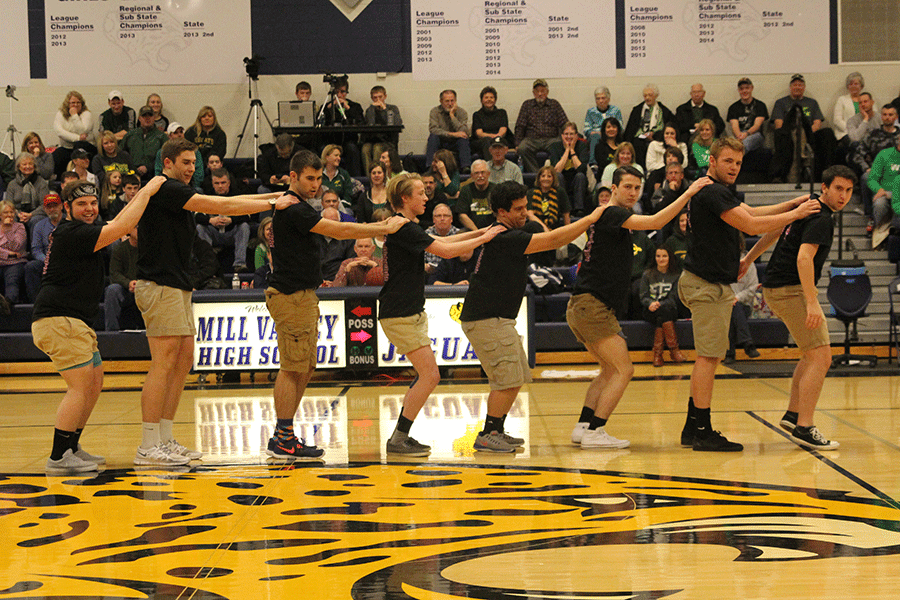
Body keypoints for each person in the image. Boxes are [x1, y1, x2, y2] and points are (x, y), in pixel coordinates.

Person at [134, 138, 295, 466]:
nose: (192, 168)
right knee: (164, 363)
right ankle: (148, 444)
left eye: (194, 163)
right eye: (186, 162)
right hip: (159, 284)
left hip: (177, 285)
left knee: (182, 362)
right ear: (167, 163)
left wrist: (273, 197)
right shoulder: (167, 187)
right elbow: (222, 206)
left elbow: (229, 200)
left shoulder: (175, 191)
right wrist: (272, 200)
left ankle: (165, 438)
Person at [678, 137, 821, 452]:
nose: (734, 168)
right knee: (708, 358)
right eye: (728, 161)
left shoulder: (718, 191)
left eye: (738, 163)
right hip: (706, 284)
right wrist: (796, 215)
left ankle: (692, 428)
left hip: (706, 282)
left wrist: (791, 203)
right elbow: (751, 225)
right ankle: (702, 430)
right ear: (712, 161)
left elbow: (753, 210)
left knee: (709, 357)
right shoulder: (712, 191)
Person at [265, 150, 406, 460]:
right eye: (310, 178)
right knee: (292, 367)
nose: (316, 184)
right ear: (293, 177)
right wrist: (380, 228)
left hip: (300, 294)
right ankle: (284, 436)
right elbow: (339, 230)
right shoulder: (295, 209)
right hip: (291, 295)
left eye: (318, 178)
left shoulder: (294, 205)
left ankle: (282, 435)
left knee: (304, 365)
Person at [459, 181, 607, 452]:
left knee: (515, 377)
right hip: (486, 319)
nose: (524, 213)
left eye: (526, 207)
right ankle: (488, 434)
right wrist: (590, 218)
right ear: (500, 212)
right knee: (506, 381)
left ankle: (497, 429)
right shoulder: (505, 238)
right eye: (518, 209)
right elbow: (553, 239)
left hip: (497, 318)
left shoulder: (502, 231)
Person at [568, 170, 710, 448]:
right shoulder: (612, 213)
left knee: (609, 370)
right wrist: (688, 193)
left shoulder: (608, 217)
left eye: (637, 188)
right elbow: (656, 221)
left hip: (584, 305)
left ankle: (583, 427)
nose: (633, 193)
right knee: (624, 370)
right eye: (627, 187)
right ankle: (596, 431)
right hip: (592, 306)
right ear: (613, 188)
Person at [32, 177, 163, 471]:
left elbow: (116, 223)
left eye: (93, 203)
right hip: (58, 319)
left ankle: (71, 446)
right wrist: (147, 191)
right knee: (79, 387)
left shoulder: (85, 230)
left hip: (75, 321)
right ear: (67, 207)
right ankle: (57, 456)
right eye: (81, 204)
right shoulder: (70, 232)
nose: (89, 209)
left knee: (94, 382)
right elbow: (119, 227)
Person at [380, 173, 500, 455]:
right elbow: (446, 251)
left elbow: (442, 240)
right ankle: (398, 437)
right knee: (430, 375)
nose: (426, 198)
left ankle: (400, 435)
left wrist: (484, 232)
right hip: (400, 311)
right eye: (420, 193)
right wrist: (485, 238)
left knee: (427, 375)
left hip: (405, 310)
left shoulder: (409, 227)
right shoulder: (404, 228)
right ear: (405, 198)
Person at [742, 166, 857, 450]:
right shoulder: (822, 218)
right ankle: (805, 427)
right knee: (821, 357)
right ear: (825, 187)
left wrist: (748, 259)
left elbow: (775, 229)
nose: (843, 196)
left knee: (810, 355)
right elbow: (804, 259)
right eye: (838, 189)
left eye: (849, 191)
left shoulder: (807, 207)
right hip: (789, 289)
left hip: (777, 287)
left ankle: (794, 415)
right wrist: (812, 301)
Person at [769, 74, 836, 182]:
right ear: (790, 87)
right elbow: (778, 124)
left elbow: (817, 123)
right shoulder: (781, 103)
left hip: (809, 133)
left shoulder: (812, 103)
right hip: (789, 134)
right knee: (786, 134)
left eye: (800, 85)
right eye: (795, 85)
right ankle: (798, 165)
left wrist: (806, 132)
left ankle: (827, 172)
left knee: (827, 132)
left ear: (804, 87)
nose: (797, 87)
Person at [196, 168, 252, 273]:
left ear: (229, 183)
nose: (220, 186)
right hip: (214, 233)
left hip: (232, 233)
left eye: (223, 182)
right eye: (217, 183)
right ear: (212, 184)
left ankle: (240, 264)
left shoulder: (237, 195)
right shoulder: (207, 196)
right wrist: (210, 220)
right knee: (200, 227)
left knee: (244, 226)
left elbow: (248, 216)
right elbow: (196, 215)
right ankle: (207, 264)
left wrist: (231, 220)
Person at [641, 245, 686, 367]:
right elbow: (643, 296)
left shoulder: (676, 275)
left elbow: (674, 297)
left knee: (662, 315)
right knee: (662, 315)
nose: (661, 259)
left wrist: (660, 304)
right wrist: (650, 303)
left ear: (670, 258)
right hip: (650, 310)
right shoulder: (647, 274)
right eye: (658, 256)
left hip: (669, 309)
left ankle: (658, 355)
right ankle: (673, 350)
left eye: (664, 256)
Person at [514, 79, 569, 173]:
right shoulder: (527, 105)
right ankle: (537, 175)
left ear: (547, 92)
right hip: (531, 139)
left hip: (551, 139)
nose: (540, 93)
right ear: (533, 93)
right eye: (537, 91)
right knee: (522, 148)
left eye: (542, 91)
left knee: (559, 146)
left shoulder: (554, 104)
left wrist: (567, 138)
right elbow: (520, 126)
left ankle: (552, 174)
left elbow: (564, 123)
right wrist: (517, 143)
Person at [725, 238, 760, 364]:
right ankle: (747, 343)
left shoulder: (749, 263)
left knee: (734, 308)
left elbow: (753, 289)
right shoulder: (720, 263)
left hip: (743, 305)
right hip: (724, 304)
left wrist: (737, 298)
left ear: (740, 245)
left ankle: (729, 353)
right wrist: (729, 299)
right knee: (731, 309)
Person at [320, 79, 365, 176]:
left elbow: (361, 122)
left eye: (343, 92)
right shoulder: (326, 107)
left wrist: (348, 108)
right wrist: (329, 108)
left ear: (347, 92)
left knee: (352, 148)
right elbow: (319, 122)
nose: (340, 95)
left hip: (348, 140)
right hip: (330, 141)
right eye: (337, 92)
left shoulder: (355, 106)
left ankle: (355, 178)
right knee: (322, 148)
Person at [24, 193, 64, 302]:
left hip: (66, 260)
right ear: (44, 209)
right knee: (31, 267)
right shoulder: (39, 226)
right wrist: (47, 260)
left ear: (61, 206)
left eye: (55, 206)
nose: (52, 209)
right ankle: (36, 303)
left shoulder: (70, 223)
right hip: (46, 260)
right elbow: (36, 250)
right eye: (48, 207)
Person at [623, 84, 675, 167]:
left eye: (650, 95)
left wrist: (653, 134)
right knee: (637, 143)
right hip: (640, 137)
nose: (647, 98)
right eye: (645, 95)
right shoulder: (637, 110)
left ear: (656, 96)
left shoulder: (663, 110)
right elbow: (630, 129)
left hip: (657, 136)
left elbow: (668, 126)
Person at [104, 225, 142, 331]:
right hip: (126, 289)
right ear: (129, 229)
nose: (141, 231)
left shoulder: (151, 249)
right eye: (137, 228)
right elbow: (114, 273)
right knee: (112, 290)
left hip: (146, 287)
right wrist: (128, 283)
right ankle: (112, 333)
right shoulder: (120, 249)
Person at [548, 122, 589, 214]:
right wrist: (567, 150)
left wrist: (572, 150)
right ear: (562, 135)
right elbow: (557, 170)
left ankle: (579, 209)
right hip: (562, 181)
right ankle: (563, 208)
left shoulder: (582, 146)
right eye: (566, 134)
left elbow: (582, 169)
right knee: (558, 176)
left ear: (576, 135)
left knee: (580, 176)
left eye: (571, 134)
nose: (569, 137)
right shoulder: (555, 147)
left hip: (577, 182)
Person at [426, 89, 471, 171]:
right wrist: (452, 134)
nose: (450, 104)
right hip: (441, 141)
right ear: (441, 101)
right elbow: (433, 129)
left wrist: (452, 116)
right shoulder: (435, 112)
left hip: (456, 143)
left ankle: (466, 167)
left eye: (452, 101)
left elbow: (465, 132)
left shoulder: (462, 112)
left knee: (464, 139)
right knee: (433, 137)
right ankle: (430, 167)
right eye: (447, 101)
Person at [52, 91, 95, 177]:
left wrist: (74, 115)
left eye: (78, 102)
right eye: (72, 103)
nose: (75, 105)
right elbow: (60, 132)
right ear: (67, 104)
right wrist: (78, 137)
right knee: (57, 154)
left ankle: (83, 177)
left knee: (79, 146)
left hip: (85, 147)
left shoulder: (87, 114)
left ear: (82, 103)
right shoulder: (60, 114)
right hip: (67, 147)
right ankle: (61, 181)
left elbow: (83, 130)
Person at [361, 85, 403, 174]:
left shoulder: (393, 108)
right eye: (375, 98)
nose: (378, 100)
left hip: (388, 140)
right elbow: (370, 124)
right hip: (373, 139)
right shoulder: (370, 110)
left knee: (377, 148)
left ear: (385, 96)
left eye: (380, 97)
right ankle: (370, 176)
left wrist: (384, 110)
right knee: (365, 148)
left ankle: (380, 174)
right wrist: (373, 109)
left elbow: (396, 123)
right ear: (372, 98)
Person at [122, 106, 168, 182]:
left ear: (154, 118)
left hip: (154, 176)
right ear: (139, 118)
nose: (147, 118)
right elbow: (122, 155)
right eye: (144, 116)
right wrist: (133, 168)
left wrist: (148, 168)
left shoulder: (161, 136)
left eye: (150, 115)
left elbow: (165, 157)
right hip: (131, 176)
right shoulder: (130, 135)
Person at [154, 122, 204, 189]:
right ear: (169, 136)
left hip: (190, 186)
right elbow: (158, 172)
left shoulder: (193, 150)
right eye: (175, 133)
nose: (179, 135)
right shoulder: (161, 152)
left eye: (181, 132)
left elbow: (199, 173)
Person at [7, 152, 50, 229]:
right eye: (24, 164)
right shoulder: (12, 184)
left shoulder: (42, 182)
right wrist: (19, 214)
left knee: (35, 221)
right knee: (10, 220)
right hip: (17, 214)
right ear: (18, 167)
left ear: (34, 166)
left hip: (36, 214)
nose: (28, 166)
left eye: (30, 164)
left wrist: (30, 215)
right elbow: (9, 205)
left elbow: (44, 205)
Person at [727, 78, 769, 153]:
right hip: (739, 136)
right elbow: (734, 126)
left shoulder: (760, 105)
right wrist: (739, 137)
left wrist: (746, 134)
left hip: (755, 135)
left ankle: (736, 158)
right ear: (739, 91)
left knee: (744, 144)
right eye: (741, 89)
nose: (744, 91)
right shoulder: (733, 107)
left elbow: (757, 126)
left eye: (747, 88)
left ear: (751, 88)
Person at [584, 86, 624, 167]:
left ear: (608, 99)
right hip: (596, 136)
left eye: (603, 98)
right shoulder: (590, 112)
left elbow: (621, 127)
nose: (600, 101)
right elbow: (586, 130)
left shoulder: (615, 110)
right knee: (595, 137)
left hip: (613, 134)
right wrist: (599, 133)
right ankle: (593, 163)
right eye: (598, 99)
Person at [471, 86, 514, 160]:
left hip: (499, 138)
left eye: (491, 97)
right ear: (482, 100)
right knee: (487, 141)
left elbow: (503, 131)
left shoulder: (502, 113)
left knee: (499, 142)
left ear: (495, 100)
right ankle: (492, 166)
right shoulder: (477, 114)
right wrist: (493, 137)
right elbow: (479, 133)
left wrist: (496, 137)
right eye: (486, 97)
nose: (489, 100)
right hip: (483, 141)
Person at [0, 200, 27, 308]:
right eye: (6, 212)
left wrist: (8, 230)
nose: (9, 215)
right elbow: (14, 252)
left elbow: (17, 246)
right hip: (3, 261)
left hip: (15, 263)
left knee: (12, 280)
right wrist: (10, 254)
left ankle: (8, 304)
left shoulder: (20, 227)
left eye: (11, 212)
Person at [455, 160, 495, 230]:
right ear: (472, 176)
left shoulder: (496, 189)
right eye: (476, 173)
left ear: (488, 174)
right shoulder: (465, 190)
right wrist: (477, 232)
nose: (480, 176)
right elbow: (462, 215)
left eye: (483, 172)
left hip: (493, 230)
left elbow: (501, 214)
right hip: (472, 231)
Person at [424, 202, 459, 273]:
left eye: (446, 216)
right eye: (438, 216)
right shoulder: (426, 235)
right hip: (430, 275)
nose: (442, 219)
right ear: (433, 219)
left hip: (454, 275)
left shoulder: (459, 235)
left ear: (451, 219)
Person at [833, 72, 866, 142]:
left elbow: (873, 117)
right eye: (851, 84)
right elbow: (837, 120)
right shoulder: (841, 100)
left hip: (864, 133)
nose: (853, 86)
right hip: (846, 134)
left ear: (861, 86)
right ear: (848, 86)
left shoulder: (867, 100)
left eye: (856, 84)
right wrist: (852, 130)